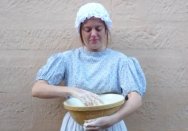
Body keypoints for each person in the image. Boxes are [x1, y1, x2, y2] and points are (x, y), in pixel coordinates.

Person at [32, 2, 146, 131]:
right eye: (87, 29)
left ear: (106, 29)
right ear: (80, 31)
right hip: (76, 125)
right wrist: (72, 91)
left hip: (111, 125)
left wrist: (112, 120)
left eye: (98, 28)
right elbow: (37, 89)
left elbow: (136, 98)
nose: (93, 34)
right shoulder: (67, 59)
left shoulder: (120, 61)